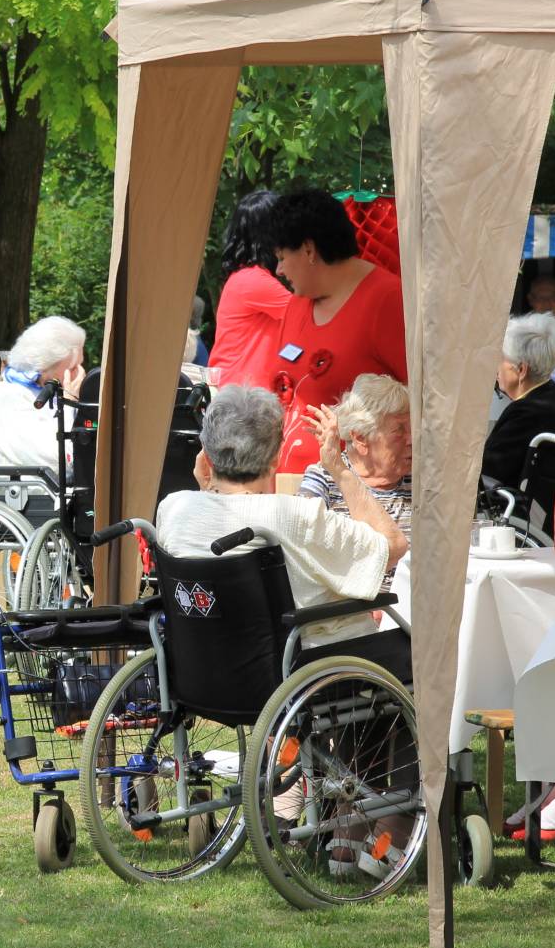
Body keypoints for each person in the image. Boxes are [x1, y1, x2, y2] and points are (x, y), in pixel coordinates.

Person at [156, 386, 407, 651]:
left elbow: (216, 521)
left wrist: (208, 490)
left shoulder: (174, 509)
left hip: (209, 667)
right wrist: (338, 468)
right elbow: (393, 545)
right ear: (276, 458)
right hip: (313, 669)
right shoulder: (296, 516)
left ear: (207, 458)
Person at [270, 190, 408, 474]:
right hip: (289, 488)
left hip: (353, 497)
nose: (279, 269)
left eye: (282, 257)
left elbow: (421, 400)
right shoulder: (297, 303)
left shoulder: (387, 300)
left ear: (309, 250)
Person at [298, 374, 412, 585]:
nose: (411, 440)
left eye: (413, 428)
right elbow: (301, 549)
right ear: (360, 438)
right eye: (399, 430)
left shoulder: (422, 482)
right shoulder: (325, 477)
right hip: (348, 608)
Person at [484, 312, 555, 538]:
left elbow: (487, 473)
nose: (496, 368)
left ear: (521, 369)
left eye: (501, 360)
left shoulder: (526, 411)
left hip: (528, 523)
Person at [206, 190, 293, 392]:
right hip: (243, 402)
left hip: (238, 394)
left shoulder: (245, 277)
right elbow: (311, 314)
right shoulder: (255, 282)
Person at [0, 316, 86, 474]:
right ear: (44, 366)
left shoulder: (41, 390)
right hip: (31, 493)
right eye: (73, 368)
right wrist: (70, 401)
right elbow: (62, 460)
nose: (80, 374)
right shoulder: (9, 395)